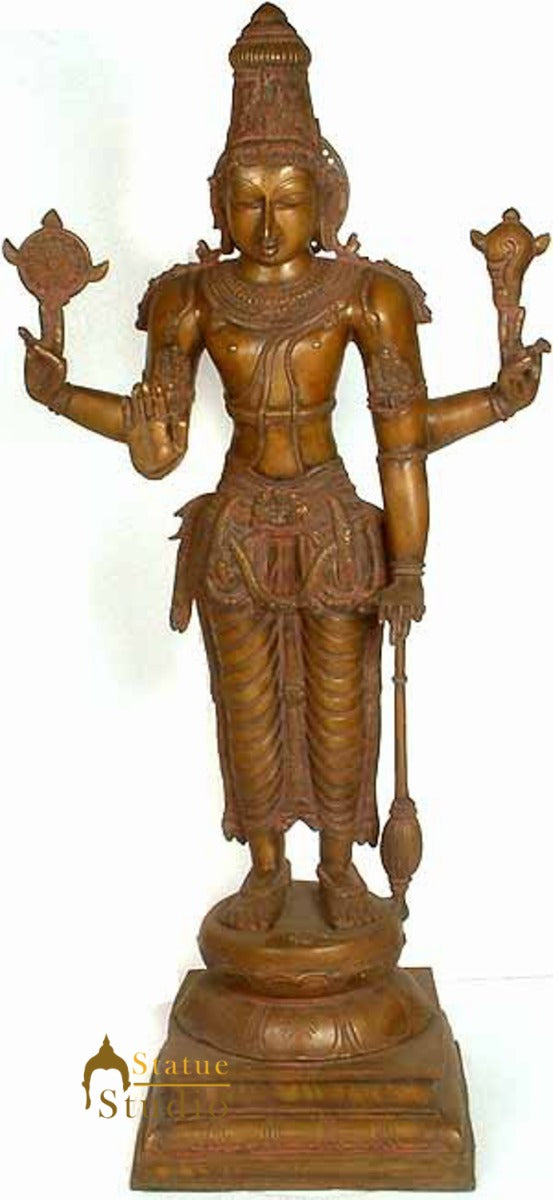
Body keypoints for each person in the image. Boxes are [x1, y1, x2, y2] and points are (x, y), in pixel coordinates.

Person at [19, 5, 543, 932]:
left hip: (333, 524)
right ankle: (266, 866)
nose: (267, 222)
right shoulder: (188, 298)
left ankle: (338, 864)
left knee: (341, 700)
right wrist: (61, 395)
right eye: (248, 199)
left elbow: (402, 437)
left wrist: (425, 534)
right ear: (220, 202)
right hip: (236, 524)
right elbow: (160, 446)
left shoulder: (365, 295)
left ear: (324, 197)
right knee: (246, 701)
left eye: (288, 198)